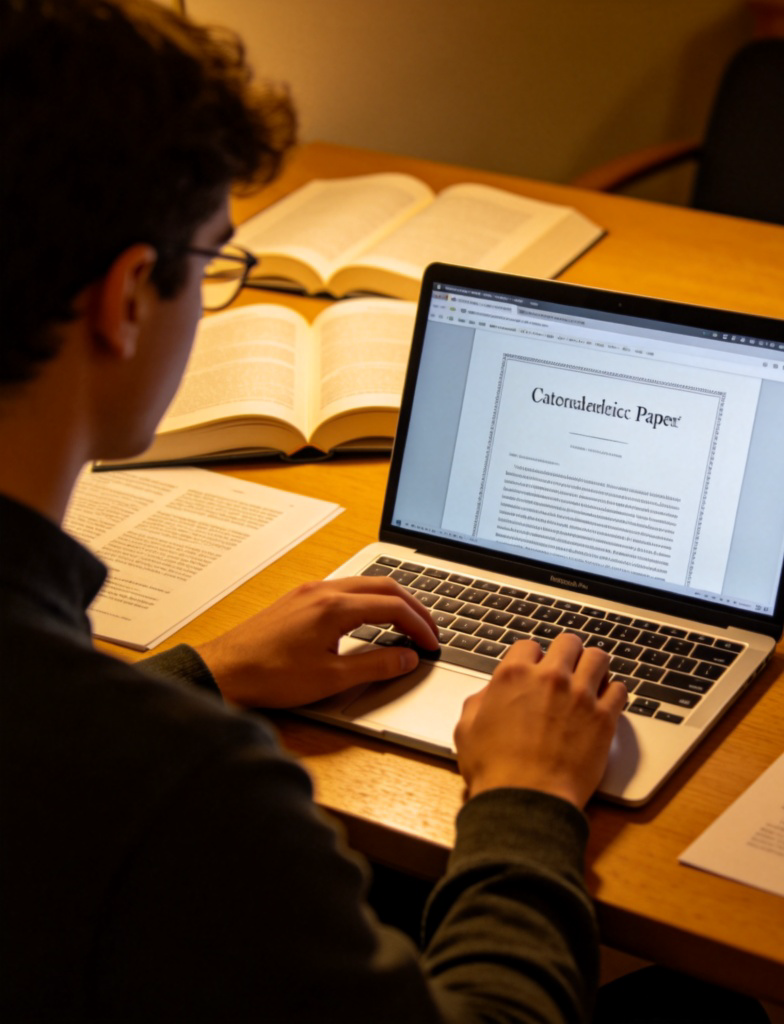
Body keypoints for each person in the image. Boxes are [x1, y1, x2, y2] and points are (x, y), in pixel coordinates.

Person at [0, 1, 627, 1021]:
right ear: (126, 299)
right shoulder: (185, 791)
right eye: (214, 260)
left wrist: (200, 674)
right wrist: (528, 798)